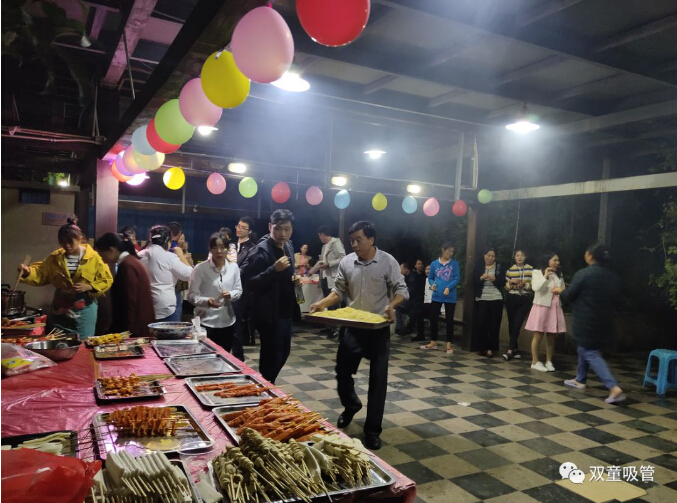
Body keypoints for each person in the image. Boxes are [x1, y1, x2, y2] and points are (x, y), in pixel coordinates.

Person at [309, 221, 408, 451]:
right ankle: (351, 404)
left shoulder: (387, 261)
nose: (354, 244)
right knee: (342, 372)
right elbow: (338, 290)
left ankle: (372, 431)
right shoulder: (346, 262)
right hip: (352, 326)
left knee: (378, 380)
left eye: (358, 239)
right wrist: (322, 303)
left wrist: (392, 305)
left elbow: (401, 290)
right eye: (352, 240)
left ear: (371, 240)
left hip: (377, 328)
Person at [18, 218, 113, 338]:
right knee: (59, 339)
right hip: (60, 306)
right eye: (63, 242)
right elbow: (41, 273)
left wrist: (89, 286)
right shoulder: (55, 257)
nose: (67, 246)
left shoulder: (93, 257)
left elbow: (106, 279)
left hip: (84, 308)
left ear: (79, 239)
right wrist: (27, 273)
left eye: (70, 242)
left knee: (83, 340)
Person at [241, 209, 301, 384]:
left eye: (287, 229)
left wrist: (294, 278)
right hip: (268, 314)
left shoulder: (288, 246)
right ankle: (266, 387)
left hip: (285, 310)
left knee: (283, 352)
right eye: (278, 228)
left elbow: (287, 273)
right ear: (270, 227)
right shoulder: (260, 251)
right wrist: (273, 270)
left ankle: (268, 384)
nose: (282, 234)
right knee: (271, 355)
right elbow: (249, 283)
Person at [561, 244, 625, 403]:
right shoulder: (612, 276)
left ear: (590, 255)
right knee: (584, 347)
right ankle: (580, 379)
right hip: (605, 319)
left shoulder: (583, 274)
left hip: (586, 320)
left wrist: (559, 291)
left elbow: (569, 295)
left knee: (590, 352)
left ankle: (613, 387)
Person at [188, 232, 243, 353]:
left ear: (228, 249)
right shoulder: (200, 269)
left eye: (223, 247)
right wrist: (206, 301)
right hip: (205, 323)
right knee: (205, 357)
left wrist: (231, 295)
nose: (219, 251)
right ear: (209, 249)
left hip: (228, 321)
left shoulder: (233, 268)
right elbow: (191, 295)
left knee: (224, 356)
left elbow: (238, 290)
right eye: (215, 247)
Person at [94, 233, 154, 336]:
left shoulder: (127, 266)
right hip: (137, 325)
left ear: (111, 250)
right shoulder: (130, 262)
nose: (101, 258)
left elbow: (130, 300)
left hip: (134, 328)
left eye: (101, 254)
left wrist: (127, 330)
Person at [138, 225, 193, 322]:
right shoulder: (169, 257)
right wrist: (180, 255)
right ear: (167, 242)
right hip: (165, 307)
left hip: (144, 305)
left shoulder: (140, 255)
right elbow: (189, 275)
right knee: (168, 332)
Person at [526, 252, 566, 372]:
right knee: (538, 335)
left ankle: (549, 361)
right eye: (554, 260)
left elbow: (563, 288)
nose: (557, 262)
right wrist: (545, 276)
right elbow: (535, 288)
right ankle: (535, 361)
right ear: (547, 260)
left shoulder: (559, 274)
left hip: (555, 306)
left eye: (558, 260)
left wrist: (560, 290)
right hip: (541, 306)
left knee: (551, 335)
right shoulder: (537, 272)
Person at [308, 225, 346, 339]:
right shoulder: (325, 246)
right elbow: (321, 262)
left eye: (319, 235)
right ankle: (329, 326)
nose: (319, 238)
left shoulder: (336, 244)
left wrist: (329, 264)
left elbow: (343, 258)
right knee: (326, 303)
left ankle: (336, 328)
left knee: (333, 303)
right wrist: (311, 271)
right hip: (324, 277)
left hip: (333, 278)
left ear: (323, 234)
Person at [422, 244, 460, 354]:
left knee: (449, 320)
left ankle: (448, 345)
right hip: (437, 296)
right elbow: (430, 278)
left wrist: (449, 287)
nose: (451, 253)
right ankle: (433, 342)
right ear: (443, 250)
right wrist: (433, 284)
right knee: (433, 318)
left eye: (452, 251)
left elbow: (457, 278)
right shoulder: (434, 264)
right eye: (449, 251)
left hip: (450, 297)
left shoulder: (454, 264)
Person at [472, 248, 505, 358]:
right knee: (481, 323)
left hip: (496, 297)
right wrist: (482, 277)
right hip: (482, 297)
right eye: (489, 255)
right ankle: (482, 347)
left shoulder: (499, 266)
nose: (490, 258)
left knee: (494, 324)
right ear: (484, 255)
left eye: (493, 256)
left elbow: (502, 282)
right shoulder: (479, 265)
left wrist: (494, 279)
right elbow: (474, 280)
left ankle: (491, 349)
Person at [503, 250, 534, 361]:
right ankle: (515, 348)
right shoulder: (510, 270)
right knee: (511, 324)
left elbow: (533, 285)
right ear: (514, 257)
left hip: (524, 298)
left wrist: (524, 284)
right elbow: (506, 286)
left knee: (517, 324)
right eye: (517, 255)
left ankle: (509, 350)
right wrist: (511, 283)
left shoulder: (531, 269)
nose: (520, 257)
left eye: (522, 255)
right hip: (512, 297)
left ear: (525, 257)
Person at [235, 216, 257, 345]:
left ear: (250, 231)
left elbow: (245, 269)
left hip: (244, 287)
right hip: (231, 285)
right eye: (238, 226)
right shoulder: (231, 246)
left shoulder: (252, 248)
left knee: (244, 315)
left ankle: (246, 338)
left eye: (243, 227)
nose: (239, 229)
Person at [412, 263, 434, 342]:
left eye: (429, 269)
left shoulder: (437, 280)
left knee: (417, 306)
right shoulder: (426, 280)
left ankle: (409, 326)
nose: (427, 271)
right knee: (418, 312)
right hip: (427, 305)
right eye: (426, 269)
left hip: (435, 305)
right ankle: (420, 335)